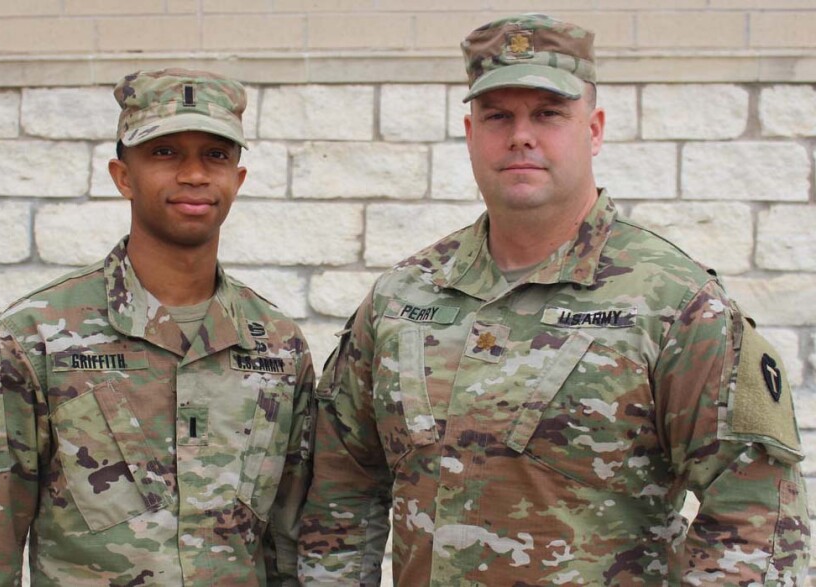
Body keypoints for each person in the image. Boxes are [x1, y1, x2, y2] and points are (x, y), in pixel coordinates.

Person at [298, 14, 810, 586]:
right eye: (498, 116)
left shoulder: (675, 304)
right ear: (470, 133)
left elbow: (761, 517)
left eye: (548, 113)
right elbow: (341, 493)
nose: (521, 135)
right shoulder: (402, 298)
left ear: (593, 129)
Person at [0, 68, 314, 586]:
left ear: (238, 180)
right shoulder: (35, 337)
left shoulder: (277, 345)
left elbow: (292, 542)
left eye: (216, 155)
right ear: (122, 176)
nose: (194, 175)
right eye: (165, 153)